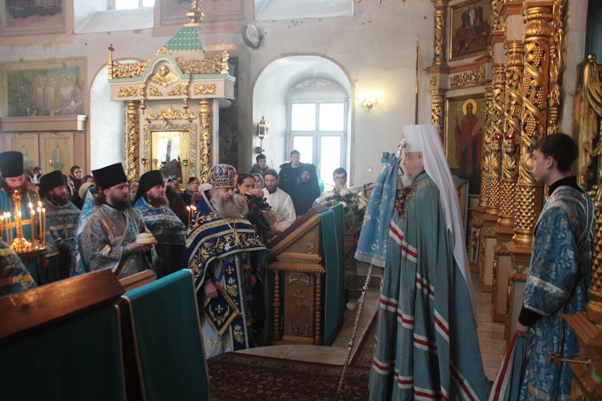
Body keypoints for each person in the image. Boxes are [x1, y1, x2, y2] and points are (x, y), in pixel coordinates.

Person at [359, 125, 488, 401]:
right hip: (412, 277)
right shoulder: (423, 186)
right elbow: (408, 223)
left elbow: (410, 237)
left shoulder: (427, 190)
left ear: (422, 157)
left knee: (419, 336)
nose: (404, 162)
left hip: (418, 281)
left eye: (408, 156)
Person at [513, 133, 595, 400]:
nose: (532, 164)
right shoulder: (581, 198)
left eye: (535, 158)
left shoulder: (558, 209)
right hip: (579, 306)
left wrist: (526, 317)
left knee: (549, 379)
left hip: (558, 314)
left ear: (550, 161)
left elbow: (552, 272)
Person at [182, 164, 266, 357]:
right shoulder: (202, 221)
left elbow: (250, 247)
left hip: (240, 284)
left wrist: (253, 272)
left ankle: (240, 357)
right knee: (217, 330)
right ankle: (215, 361)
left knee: (240, 324)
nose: (230, 193)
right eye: (225, 190)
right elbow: (194, 257)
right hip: (217, 286)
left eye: (231, 189)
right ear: (214, 191)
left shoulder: (235, 214)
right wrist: (207, 282)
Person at [79, 163, 156, 279]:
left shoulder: (135, 214)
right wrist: (128, 249)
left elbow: (147, 235)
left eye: (126, 186)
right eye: (120, 187)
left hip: (140, 278)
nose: (126, 191)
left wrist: (147, 246)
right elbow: (95, 257)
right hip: (114, 282)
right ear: (106, 192)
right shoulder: (96, 220)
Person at [0, 151, 58, 285]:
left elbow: (42, 223)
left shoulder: (32, 195)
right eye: (13, 180)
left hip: (32, 256)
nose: (18, 184)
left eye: (21, 179)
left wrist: (45, 253)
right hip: (7, 260)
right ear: (3, 178)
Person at [134, 170, 186, 279]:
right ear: (147, 190)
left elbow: (181, 230)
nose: (162, 190)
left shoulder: (165, 208)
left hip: (172, 261)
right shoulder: (138, 211)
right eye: (157, 187)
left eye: (162, 186)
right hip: (152, 263)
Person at [39, 170, 81, 281]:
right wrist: (67, 248)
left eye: (64, 187)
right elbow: (49, 232)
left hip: (73, 255)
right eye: (60, 188)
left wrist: (74, 247)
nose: (64, 191)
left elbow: (80, 223)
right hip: (54, 257)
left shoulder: (69, 205)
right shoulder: (42, 208)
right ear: (50, 191)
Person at [262, 169, 296, 236]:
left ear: (278, 180)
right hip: (261, 232)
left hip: (278, 233)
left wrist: (277, 229)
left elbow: (291, 218)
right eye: (267, 180)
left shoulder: (285, 197)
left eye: (272, 180)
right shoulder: (259, 194)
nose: (269, 184)